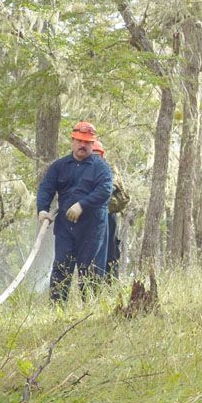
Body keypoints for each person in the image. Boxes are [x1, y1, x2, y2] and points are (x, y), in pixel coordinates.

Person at [37, 121, 113, 302]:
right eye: (79, 141)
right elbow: (46, 188)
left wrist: (82, 205)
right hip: (65, 228)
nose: (82, 145)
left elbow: (105, 190)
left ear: (93, 144)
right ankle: (57, 308)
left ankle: (90, 309)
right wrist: (42, 209)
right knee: (61, 267)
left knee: (90, 270)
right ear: (72, 141)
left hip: (92, 228)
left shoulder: (101, 167)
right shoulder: (59, 166)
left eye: (87, 142)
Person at [92, 140, 129, 281]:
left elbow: (111, 188)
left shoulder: (108, 169)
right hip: (90, 216)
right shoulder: (82, 168)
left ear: (102, 155)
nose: (95, 157)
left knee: (111, 251)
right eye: (93, 154)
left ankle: (111, 283)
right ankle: (93, 284)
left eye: (97, 154)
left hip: (108, 214)